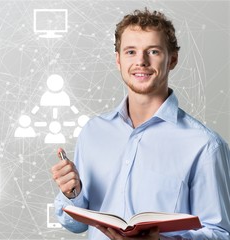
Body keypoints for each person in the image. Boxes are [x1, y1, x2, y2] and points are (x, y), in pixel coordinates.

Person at [51, 8, 230, 240]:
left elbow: (221, 234)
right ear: (118, 60)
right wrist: (72, 194)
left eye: (153, 51)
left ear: (172, 59)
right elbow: (75, 225)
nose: (141, 61)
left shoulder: (205, 146)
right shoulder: (93, 132)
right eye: (131, 52)